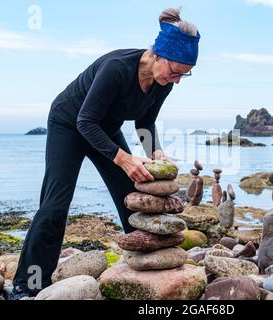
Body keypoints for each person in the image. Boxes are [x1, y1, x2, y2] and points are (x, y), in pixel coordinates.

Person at [10, 7, 200, 300]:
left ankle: (146, 267)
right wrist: (123, 158)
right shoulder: (117, 67)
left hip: (105, 128)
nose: (176, 80)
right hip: (68, 125)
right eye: (175, 72)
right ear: (159, 54)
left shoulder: (163, 82)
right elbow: (84, 121)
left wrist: (156, 151)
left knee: (133, 198)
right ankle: (27, 285)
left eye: (183, 77)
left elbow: (145, 123)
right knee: (54, 207)